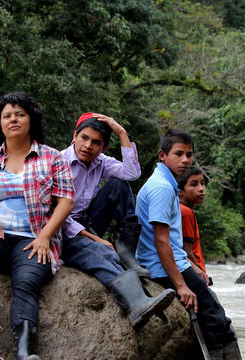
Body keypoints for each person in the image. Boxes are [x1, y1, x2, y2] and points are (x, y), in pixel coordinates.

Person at [0, 92, 74, 360]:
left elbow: (65, 201)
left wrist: (45, 236)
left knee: (26, 284)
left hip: (33, 239)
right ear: (0, 123)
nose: (13, 120)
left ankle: (22, 351)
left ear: (31, 120)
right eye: (7, 115)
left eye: (20, 114)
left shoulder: (52, 158)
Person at [60, 113, 174, 329]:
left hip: (89, 221)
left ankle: (126, 250)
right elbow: (56, 214)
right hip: (63, 229)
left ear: (103, 148)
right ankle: (138, 303)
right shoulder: (57, 162)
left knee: (119, 185)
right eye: (84, 138)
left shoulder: (100, 161)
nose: (88, 146)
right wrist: (94, 239)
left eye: (96, 143)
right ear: (74, 136)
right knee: (103, 253)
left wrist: (121, 132)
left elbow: (131, 173)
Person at [135, 130, 241, 360]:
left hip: (169, 260)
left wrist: (192, 267)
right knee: (215, 317)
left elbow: (171, 240)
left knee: (214, 312)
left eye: (189, 154)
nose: (185, 160)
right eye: (178, 154)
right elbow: (161, 240)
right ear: (163, 155)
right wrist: (181, 285)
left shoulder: (165, 183)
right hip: (161, 265)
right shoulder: (162, 188)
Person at [178, 166, 207, 273]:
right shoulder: (185, 212)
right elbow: (187, 251)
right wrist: (200, 274)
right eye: (194, 184)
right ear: (180, 191)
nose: (201, 189)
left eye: (202, 183)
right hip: (193, 270)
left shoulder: (178, 209)